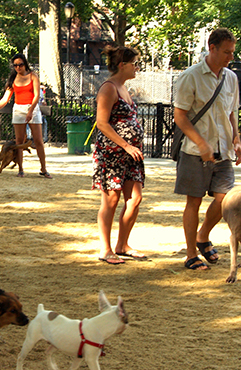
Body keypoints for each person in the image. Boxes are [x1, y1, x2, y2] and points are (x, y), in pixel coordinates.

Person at [174, 28, 241, 270]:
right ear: (211, 47)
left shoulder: (231, 78)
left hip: (223, 149)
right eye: (226, 52)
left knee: (225, 199)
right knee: (193, 201)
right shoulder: (190, 76)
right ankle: (191, 254)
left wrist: (237, 140)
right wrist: (201, 143)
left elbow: (231, 112)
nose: (230, 57)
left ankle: (202, 235)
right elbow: (180, 116)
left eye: (232, 52)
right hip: (195, 151)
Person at [93, 45, 145, 265]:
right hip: (113, 153)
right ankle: (105, 249)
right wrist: (126, 145)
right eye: (135, 63)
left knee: (135, 199)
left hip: (132, 155)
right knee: (111, 200)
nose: (138, 68)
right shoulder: (108, 88)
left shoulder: (125, 88)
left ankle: (122, 245)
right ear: (122, 65)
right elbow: (102, 123)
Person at [0, 54, 52, 178]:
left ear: (25, 64)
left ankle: (43, 168)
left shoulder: (33, 76)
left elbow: (36, 95)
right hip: (18, 108)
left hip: (32, 107)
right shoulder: (13, 79)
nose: (18, 67)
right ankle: (21, 169)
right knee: (19, 141)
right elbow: (5, 98)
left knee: (38, 140)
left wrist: (30, 111)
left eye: (20, 64)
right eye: (15, 65)